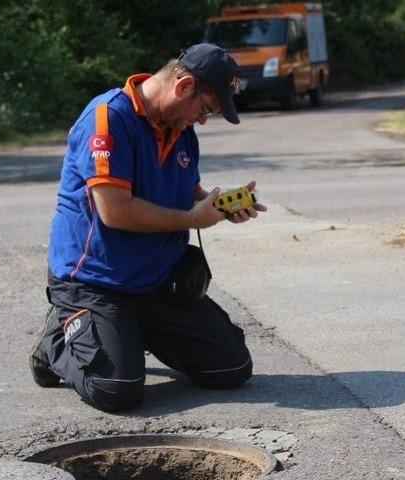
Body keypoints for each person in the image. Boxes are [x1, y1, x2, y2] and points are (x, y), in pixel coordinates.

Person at [30, 43, 267, 412]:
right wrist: (193, 219)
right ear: (184, 85)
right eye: (206, 108)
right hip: (95, 282)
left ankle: (126, 332)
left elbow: (188, 194)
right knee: (117, 389)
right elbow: (115, 212)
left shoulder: (181, 129)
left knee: (232, 368)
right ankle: (57, 340)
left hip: (156, 281)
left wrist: (219, 206)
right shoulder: (108, 118)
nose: (203, 119)